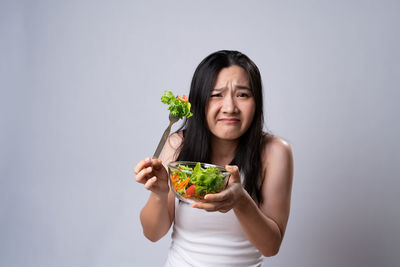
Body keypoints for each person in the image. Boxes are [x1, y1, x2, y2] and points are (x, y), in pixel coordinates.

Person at [134, 50, 293, 267]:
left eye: (243, 95)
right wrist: (160, 194)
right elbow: (152, 233)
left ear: (257, 103)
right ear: (199, 102)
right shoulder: (177, 144)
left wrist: (241, 201)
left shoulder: (276, 151)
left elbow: (271, 246)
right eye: (216, 95)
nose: (230, 107)